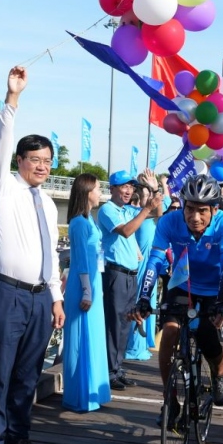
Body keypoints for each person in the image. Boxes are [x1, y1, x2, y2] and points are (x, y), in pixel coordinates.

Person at [0, 66, 65, 444]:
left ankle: (18, 437)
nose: (42, 166)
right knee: (0, 371)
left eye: (47, 161)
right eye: (36, 160)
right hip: (7, 292)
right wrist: (12, 98)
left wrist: (57, 298)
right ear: (20, 161)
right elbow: (0, 142)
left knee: (28, 373)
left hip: (40, 297)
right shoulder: (4, 187)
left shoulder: (46, 202)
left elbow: (52, 254)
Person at [134, 175, 223, 408]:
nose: (195, 217)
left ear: (214, 209)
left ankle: (220, 373)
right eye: (190, 209)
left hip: (214, 287)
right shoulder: (169, 221)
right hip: (183, 284)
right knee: (169, 333)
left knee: (207, 337)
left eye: (202, 211)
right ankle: (169, 398)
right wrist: (143, 297)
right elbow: (154, 261)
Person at [97, 168, 161, 390]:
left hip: (131, 275)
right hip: (116, 274)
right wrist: (146, 209)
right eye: (124, 186)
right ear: (113, 188)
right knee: (114, 324)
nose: (128, 191)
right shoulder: (108, 210)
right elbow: (125, 231)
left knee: (125, 323)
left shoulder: (127, 210)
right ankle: (109, 371)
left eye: (131, 187)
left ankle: (117, 368)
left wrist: (154, 190)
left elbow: (158, 214)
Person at [61, 174, 112, 412]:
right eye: (98, 189)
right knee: (81, 338)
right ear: (87, 192)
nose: (101, 193)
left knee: (93, 336)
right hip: (84, 285)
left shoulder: (89, 219)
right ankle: (80, 395)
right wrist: (86, 291)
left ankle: (92, 391)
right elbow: (81, 260)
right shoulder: (79, 223)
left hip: (93, 282)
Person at [126, 180, 162, 361]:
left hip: (151, 265)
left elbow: (160, 213)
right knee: (138, 302)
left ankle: (144, 343)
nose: (149, 200)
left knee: (149, 303)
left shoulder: (148, 214)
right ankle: (134, 345)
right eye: (146, 196)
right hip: (138, 265)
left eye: (150, 196)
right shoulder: (134, 213)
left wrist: (156, 188)